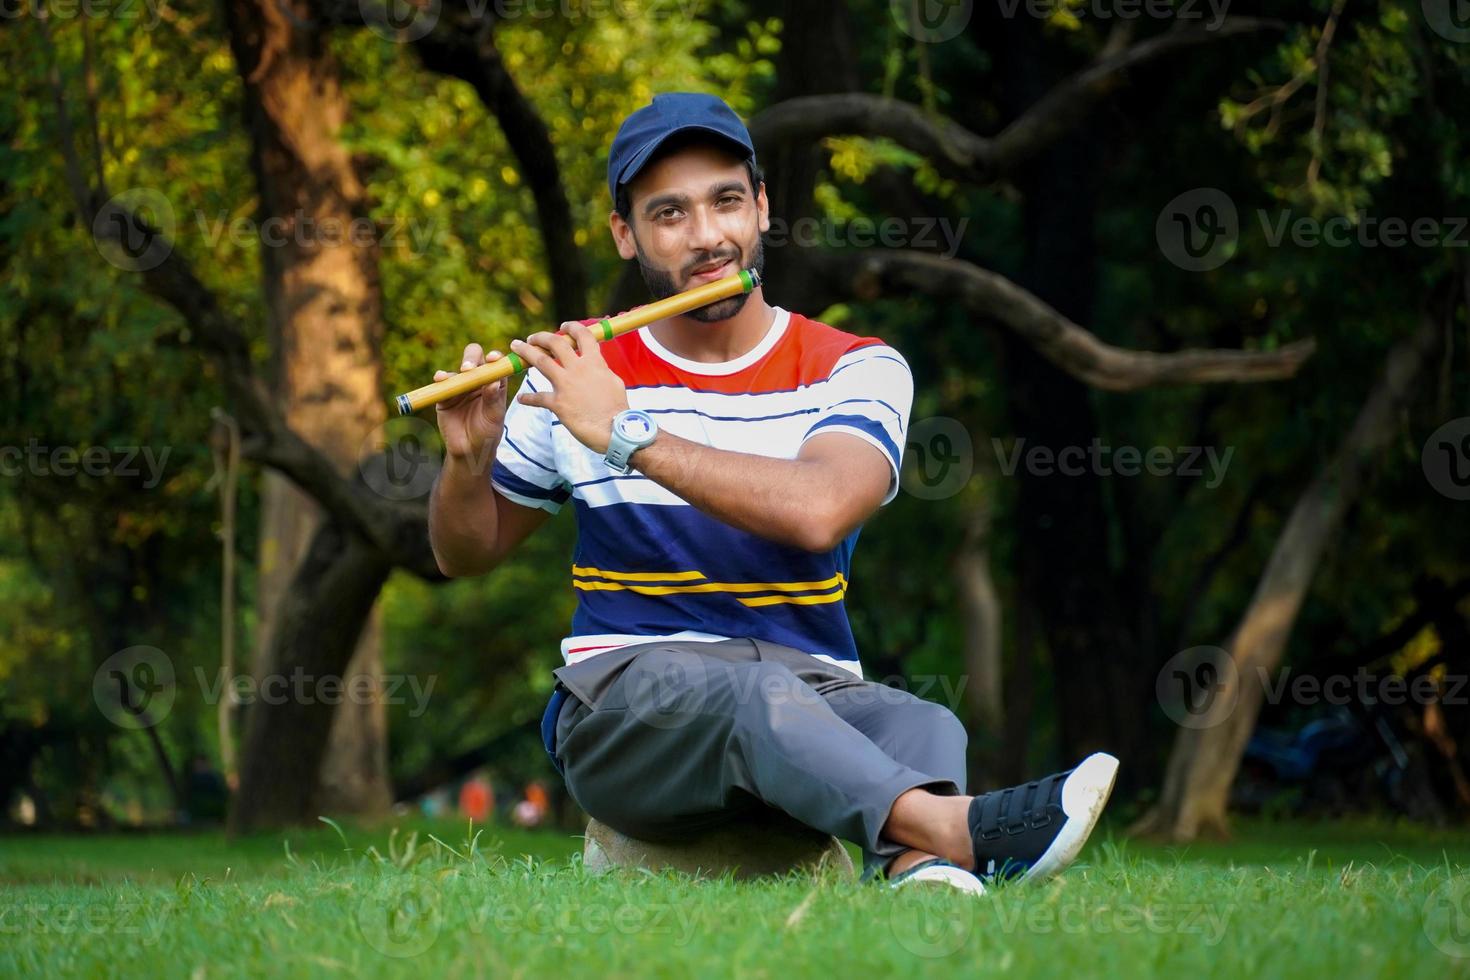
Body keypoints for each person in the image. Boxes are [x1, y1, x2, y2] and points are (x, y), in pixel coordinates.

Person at [427, 92, 1118, 893]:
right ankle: (965, 830)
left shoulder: (855, 367)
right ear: (627, 235)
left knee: (923, 722)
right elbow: (465, 553)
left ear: (761, 207)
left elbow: (818, 510)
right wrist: (467, 461)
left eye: (726, 201)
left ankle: (924, 875)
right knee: (753, 693)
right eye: (669, 214)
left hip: (810, 693)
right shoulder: (577, 377)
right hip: (625, 705)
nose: (707, 236)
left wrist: (627, 435)